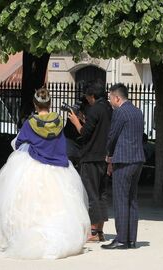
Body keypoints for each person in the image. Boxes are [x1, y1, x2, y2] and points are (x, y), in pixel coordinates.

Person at [0, 87, 90, 259]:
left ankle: (30, 236)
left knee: (29, 204)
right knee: (59, 205)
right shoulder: (58, 121)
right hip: (58, 168)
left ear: (35, 105)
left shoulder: (30, 124)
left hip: (34, 167)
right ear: (50, 103)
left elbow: (18, 143)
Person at [101, 83, 145, 250]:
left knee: (120, 200)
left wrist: (109, 156)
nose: (110, 101)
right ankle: (131, 239)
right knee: (132, 199)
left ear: (117, 97)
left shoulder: (120, 112)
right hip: (137, 159)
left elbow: (112, 136)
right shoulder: (137, 111)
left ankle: (121, 240)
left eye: (111, 98)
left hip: (123, 160)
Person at [68, 81, 112, 242]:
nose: (86, 100)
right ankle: (99, 231)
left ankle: (93, 232)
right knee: (101, 194)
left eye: (87, 97)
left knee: (91, 194)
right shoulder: (108, 109)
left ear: (92, 96)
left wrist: (75, 121)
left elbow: (84, 134)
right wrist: (84, 119)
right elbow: (97, 129)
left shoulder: (95, 109)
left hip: (91, 156)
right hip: (104, 157)